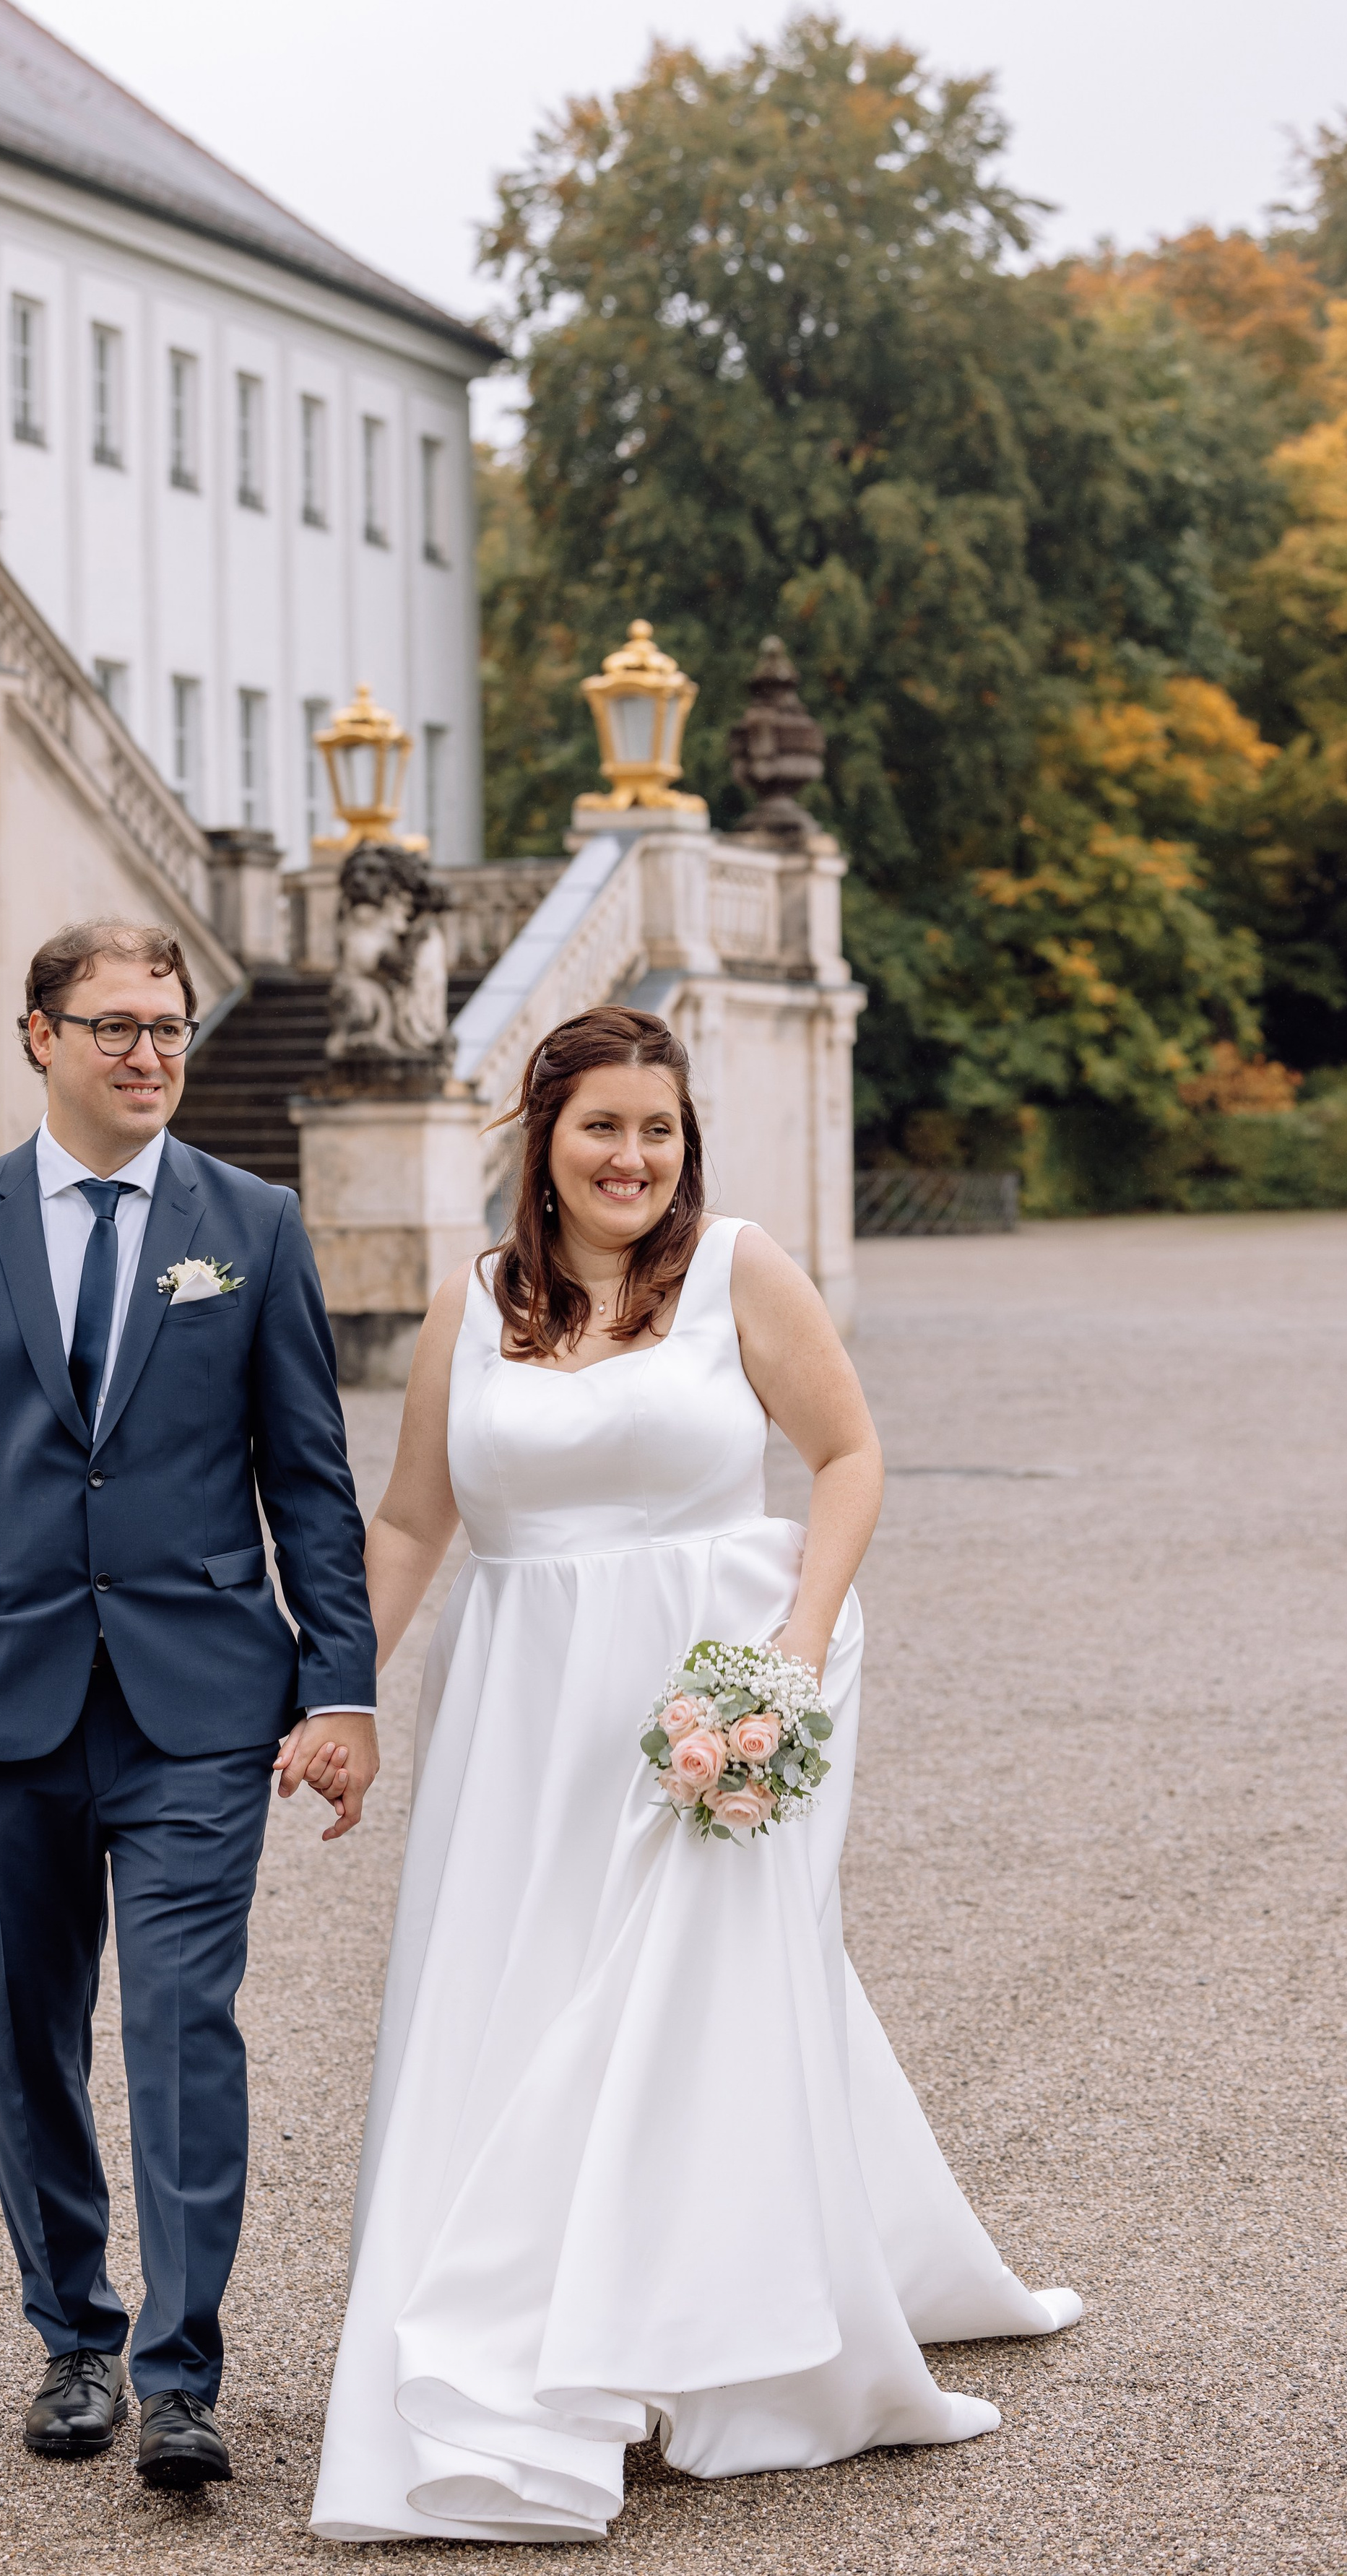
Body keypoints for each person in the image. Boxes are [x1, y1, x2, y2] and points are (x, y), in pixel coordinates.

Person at [311, 1005, 1080, 2545]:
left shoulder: (735, 1267)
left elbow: (846, 1456)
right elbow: (409, 1520)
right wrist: (337, 1694)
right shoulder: (471, 1304)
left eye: (657, 1128)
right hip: (520, 1717)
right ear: (541, 1136)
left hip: (700, 1710)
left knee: (679, 2007)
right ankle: (530, 2322)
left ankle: (684, 2341)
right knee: (515, 2001)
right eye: (602, 1124)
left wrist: (788, 1656)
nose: (632, 1156)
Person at [0, 919, 379, 2490]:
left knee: (185, 2027)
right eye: (115, 1024)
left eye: (168, 1025)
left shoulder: (250, 1224)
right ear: (38, 1037)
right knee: (25, 2035)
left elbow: (311, 1485)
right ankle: (73, 2334)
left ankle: (183, 2374)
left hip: (202, 1697)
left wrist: (341, 1684)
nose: (148, 1051)